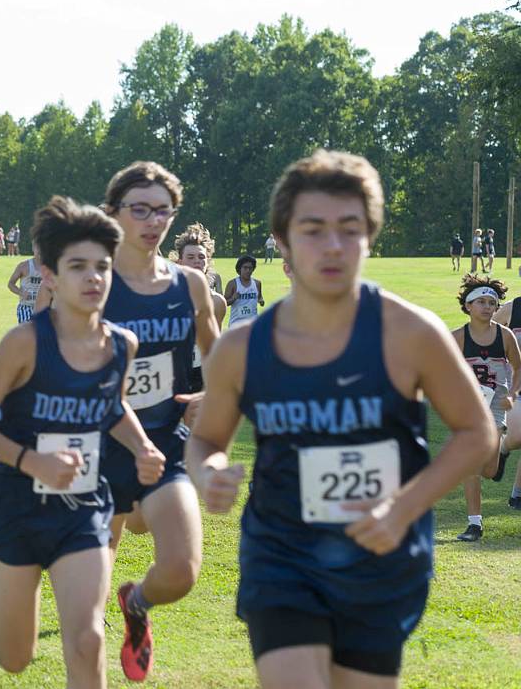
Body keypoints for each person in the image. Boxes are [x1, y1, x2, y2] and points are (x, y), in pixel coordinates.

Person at [186, 149, 495, 689]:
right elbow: (207, 438)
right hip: (281, 555)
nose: (332, 246)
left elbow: (478, 434)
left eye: (349, 229)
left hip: (382, 555)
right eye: (312, 229)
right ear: (281, 241)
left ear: (370, 236)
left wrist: (403, 508)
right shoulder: (242, 347)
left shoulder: (409, 332)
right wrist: (207, 471)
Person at [0, 196, 165, 686]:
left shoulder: (122, 345)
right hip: (17, 506)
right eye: (78, 267)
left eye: (102, 267)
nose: (93, 278)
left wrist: (142, 448)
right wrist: (32, 462)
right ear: (48, 274)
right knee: (14, 656)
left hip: (83, 505)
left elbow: (111, 407)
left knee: (88, 636)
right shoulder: (25, 343)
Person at [98, 161, 220, 683]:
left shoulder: (190, 285)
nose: (152, 221)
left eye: (162, 211)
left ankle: (138, 603)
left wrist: (208, 395)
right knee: (86, 587)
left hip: (165, 441)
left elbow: (216, 356)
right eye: (140, 210)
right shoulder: (94, 282)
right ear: (114, 214)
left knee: (181, 570)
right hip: (96, 446)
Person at [452, 274, 520, 541]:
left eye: (491, 302)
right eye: (480, 301)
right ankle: (474, 524)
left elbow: (519, 367)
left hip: (495, 406)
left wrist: (513, 394)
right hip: (468, 407)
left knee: (489, 470)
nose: (487, 307)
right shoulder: (457, 337)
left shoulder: (504, 336)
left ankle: (498, 454)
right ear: (468, 305)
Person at [173, 223, 228, 393]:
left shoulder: (217, 302)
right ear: (179, 261)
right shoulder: (166, 297)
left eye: (201, 257)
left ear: (208, 261)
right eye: (190, 257)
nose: (197, 261)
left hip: (200, 374)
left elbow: (214, 348)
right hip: (171, 372)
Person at [490, 294, 521, 511]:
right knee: (518, 436)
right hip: (514, 387)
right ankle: (501, 448)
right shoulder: (514, 308)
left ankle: (517, 496)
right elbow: (484, 331)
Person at [7, 248, 45, 324]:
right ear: (34, 248)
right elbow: (11, 284)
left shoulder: (52, 267)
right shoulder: (24, 266)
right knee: (28, 332)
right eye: (38, 247)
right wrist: (21, 292)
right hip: (26, 307)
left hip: (45, 307)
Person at [225, 256, 263, 328]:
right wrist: (233, 298)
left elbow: (260, 297)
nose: (248, 270)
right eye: (245, 268)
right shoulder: (232, 284)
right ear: (240, 268)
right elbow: (224, 303)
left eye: (250, 268)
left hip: (252, 323)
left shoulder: (257, 283)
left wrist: (261, 301)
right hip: (236, 323)